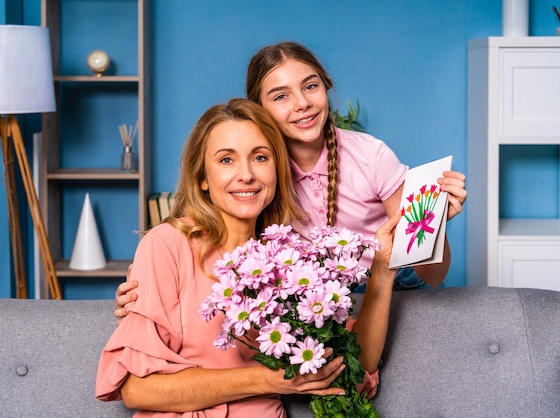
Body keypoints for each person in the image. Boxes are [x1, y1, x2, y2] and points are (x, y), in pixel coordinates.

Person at [96, 98, 400, 416]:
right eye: (226, 160)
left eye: (259, 157)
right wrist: (270, 379)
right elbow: (136, 388)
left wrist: (382, 268)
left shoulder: (291, 261)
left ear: (277, 170)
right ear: (202, 177)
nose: (246, 175)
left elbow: (358, 360)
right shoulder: (167, 245)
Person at [115, 41, 467, 314]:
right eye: (281, 96)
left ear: (326, 88)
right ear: (258, 109)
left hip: (390, 287)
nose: (301, 103)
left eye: (310, 87)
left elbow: (433, 276)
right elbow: (205, 232)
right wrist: (144, 287)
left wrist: (436, 225)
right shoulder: (253, 173)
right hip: (307, 301)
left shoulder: (370, 155)